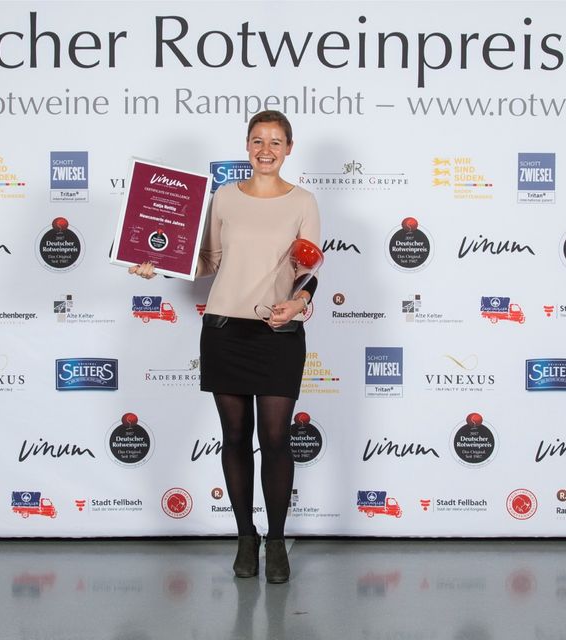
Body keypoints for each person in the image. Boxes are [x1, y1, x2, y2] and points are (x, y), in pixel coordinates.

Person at [129, 110, 320, 584]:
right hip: (224, 330)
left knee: (275, 439)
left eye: (275, 142)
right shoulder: (224, 198)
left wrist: (298, 303)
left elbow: (309, 268)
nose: (265, 150)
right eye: (257, 140)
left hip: (277, 334)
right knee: (234, 437)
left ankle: (276, 541)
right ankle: (245, 538)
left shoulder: (304, 201)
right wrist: (157, 261)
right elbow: (207, 261)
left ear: (289, 148)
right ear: (247, 145)